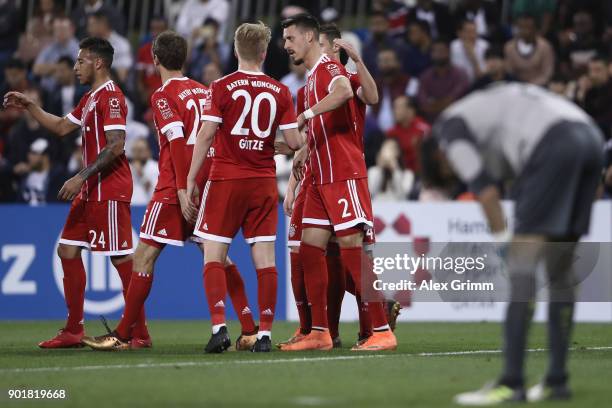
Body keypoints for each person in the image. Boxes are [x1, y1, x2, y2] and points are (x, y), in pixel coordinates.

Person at [419, 83, 603, 404]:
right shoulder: (488, 111)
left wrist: (505, 246)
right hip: (591, 139)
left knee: (522, 268)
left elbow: (486, 192)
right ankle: (556, 381)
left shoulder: (449, 128)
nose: (453, 173)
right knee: (561, 272)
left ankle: (511, 382)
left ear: (437, 154)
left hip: (553, 143)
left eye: (445, 170)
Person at [81, 31, 259, 352]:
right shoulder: (204, 91)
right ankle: (248, 328)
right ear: (186, 58)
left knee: (143, 256)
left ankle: (125, 334)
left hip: (175, 184)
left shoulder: (162, 96)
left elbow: (177, 143)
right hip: (209, 180)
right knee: (217, 256)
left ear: (155, 60)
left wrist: (180, 190)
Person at [3, 37, 149, 348]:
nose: (75, 66)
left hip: (108, 188)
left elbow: (116, 146)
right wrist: (30, 105)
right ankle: (73, 330)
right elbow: (59, 127)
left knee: (121, 258)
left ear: (98, 62)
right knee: (67, 250)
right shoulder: (90, 98)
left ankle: (140, 333)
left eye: (80, 60)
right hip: (90, 189)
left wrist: (80, 177)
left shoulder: (111, 97)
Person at [281, 13, 396, 351]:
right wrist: (298, 154)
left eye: (290, 39)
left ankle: (380, 329)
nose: (285, 46)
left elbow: (346, 90)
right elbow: (315, 130)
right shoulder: (309, 81)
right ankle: (319, 331)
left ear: (309, 38)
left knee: (351, 251)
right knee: (309, 248)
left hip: (343, 173)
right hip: (319, 177)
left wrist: (304, 116)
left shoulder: (331, 69)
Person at [186, 21, 304, 353]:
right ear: (265, 53)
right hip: (263, 182)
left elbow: (206, 134)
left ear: (236, 50)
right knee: (265, 260)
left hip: (226, 179)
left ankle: (219, 327)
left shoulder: (221, 87)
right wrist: (279, 144)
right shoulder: (280, 91)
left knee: (213, 255)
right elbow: (295, 141)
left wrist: (190, 180)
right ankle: (264, 335)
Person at [417, 39, 470, 123]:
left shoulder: (460, 74)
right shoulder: (425, 77)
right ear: (431, 54)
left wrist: (435, 104)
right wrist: (443, 103)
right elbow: (424, 105)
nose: (439, 54)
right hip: (433, 123)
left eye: (442, 50)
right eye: (435, 51)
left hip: (458, 119)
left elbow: (455, 100)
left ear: (449, 52)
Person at [504, 14, 555, 86]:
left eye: (528, 28)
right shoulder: (509, 47)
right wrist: (519, 85)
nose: (525, 31)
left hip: (539, 87)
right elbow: (509, 71)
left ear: (536, 29)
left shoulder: (545, 47)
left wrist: (530, 85)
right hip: (516, 87)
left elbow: (547, 73)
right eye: (521, 27)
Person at [33, 17, 80, 92]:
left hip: (66, 90)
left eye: (63, 29)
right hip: (45, 90)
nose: (59, 32)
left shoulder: (77, 48)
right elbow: (36, 69)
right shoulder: (50, 47)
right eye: (57, 30)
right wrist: (58, 67)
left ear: (71, 30)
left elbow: (76, 71)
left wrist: (49, 69)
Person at [386, 95, 430, 173]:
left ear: (410, 110)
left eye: (398, 107)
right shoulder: (391, 132)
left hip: (422, 174)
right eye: (394, 107)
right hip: (399, 173)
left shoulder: (423, 129)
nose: (394, 111)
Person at [86, 11, 132, 83]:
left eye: (91, 25)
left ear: (102, 25)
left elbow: (122, 75)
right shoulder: (89, 43)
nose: (88, 29)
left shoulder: (121, 45)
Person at [17, 138, 66, 205]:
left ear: (45, 157)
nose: (29, 156)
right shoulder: (25, 176)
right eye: (30, 153)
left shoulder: (58, 178)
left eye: (34, 153)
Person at [450, 19, 489, 84]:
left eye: (474, 31)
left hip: (479, 83)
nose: (472, 35)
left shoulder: (485, 46)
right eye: (468, 32)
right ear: (459, 33)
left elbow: (483, 75)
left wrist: (473, 57)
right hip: (459, 84)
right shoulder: (453, 46)